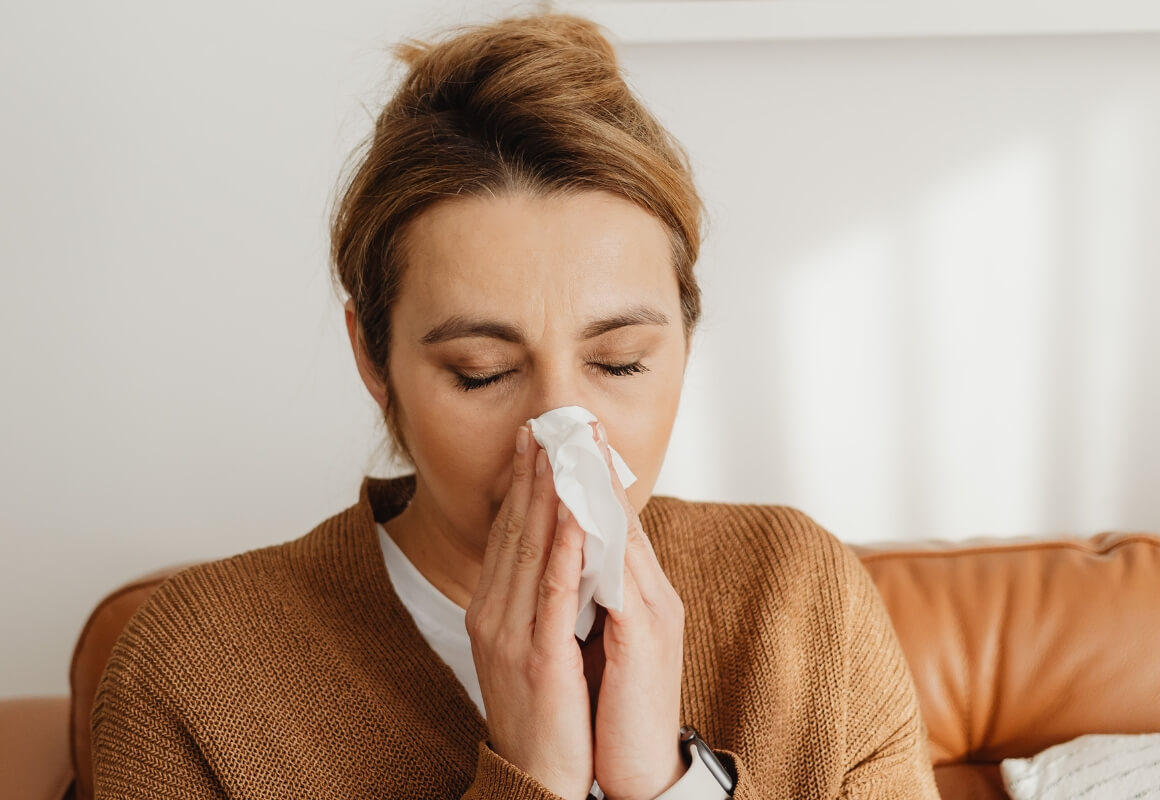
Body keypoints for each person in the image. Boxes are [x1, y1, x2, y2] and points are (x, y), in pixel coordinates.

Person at [91, 10, 941, 800]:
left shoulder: (797, 600)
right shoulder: (192, 676)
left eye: (619, 362)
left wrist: (664, 781)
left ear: (683, 340)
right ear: (373, 358)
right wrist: (531, 777)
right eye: (483, 372)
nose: (563, 437)